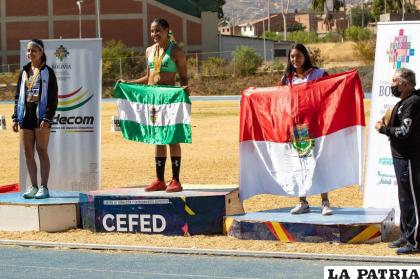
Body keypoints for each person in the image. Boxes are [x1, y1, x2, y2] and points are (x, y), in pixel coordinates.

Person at [121, 18, 188, 193]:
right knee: (158, 138)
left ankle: (176, 180)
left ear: (167, 31)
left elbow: (184, 77)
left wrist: (185, 88)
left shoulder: (177, 52)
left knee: (172, 138)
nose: (154, 34)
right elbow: (149, 77)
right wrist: (130, 82)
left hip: (170, 100)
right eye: (152, 31)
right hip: (153, 100)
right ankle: (159, 180)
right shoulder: (149, 51)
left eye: (158, 30)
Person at [280, 43, 333, 216]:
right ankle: (303, 202)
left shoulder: (319, 74)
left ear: (306, 56)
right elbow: (278, 100)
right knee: (300, 164)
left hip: (317, 127)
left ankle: (325, 202)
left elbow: (331, 93)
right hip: (298, 129)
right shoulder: (287, 79)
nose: (295, 60)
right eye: (292, 56)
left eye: (299, 56)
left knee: (320, 163)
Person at [375, 68, 420, 255]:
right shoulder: (403, 102)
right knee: (404, 199)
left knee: (412, 201)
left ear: (405, 83)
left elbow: (404, 131)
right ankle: (405, 235)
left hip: (410, 157)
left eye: (394, 81)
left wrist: (383, 130)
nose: (392, 85)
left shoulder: (414, 102)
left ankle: (415, 241)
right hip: (400, 157)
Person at [11, 39, 58, 199]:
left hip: (41, 115)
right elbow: (18, 95)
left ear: (41, 53)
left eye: (34, 51)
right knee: (28, 152)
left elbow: (53, 97)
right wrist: (15, 117)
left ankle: (44, 187)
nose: (30, 53)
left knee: (42, 150)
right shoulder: (24, 71)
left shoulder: (48, 72)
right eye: (28, 51)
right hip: (26, 115)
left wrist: (48, 116)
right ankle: (33, 186)